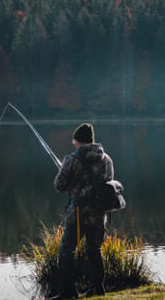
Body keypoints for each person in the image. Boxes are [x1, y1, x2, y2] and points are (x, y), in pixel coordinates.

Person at [51, 123, 114, 299]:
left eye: (74, 141)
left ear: (78, 141)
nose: (74, 144)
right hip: (99, 213)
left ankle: (68, 291)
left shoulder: (72, 159)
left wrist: (66, 175)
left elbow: (59, 186)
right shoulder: (106, 159)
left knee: (67, 250)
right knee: (94, 248)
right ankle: (97, 288)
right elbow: (106, 182)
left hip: (78, 213)